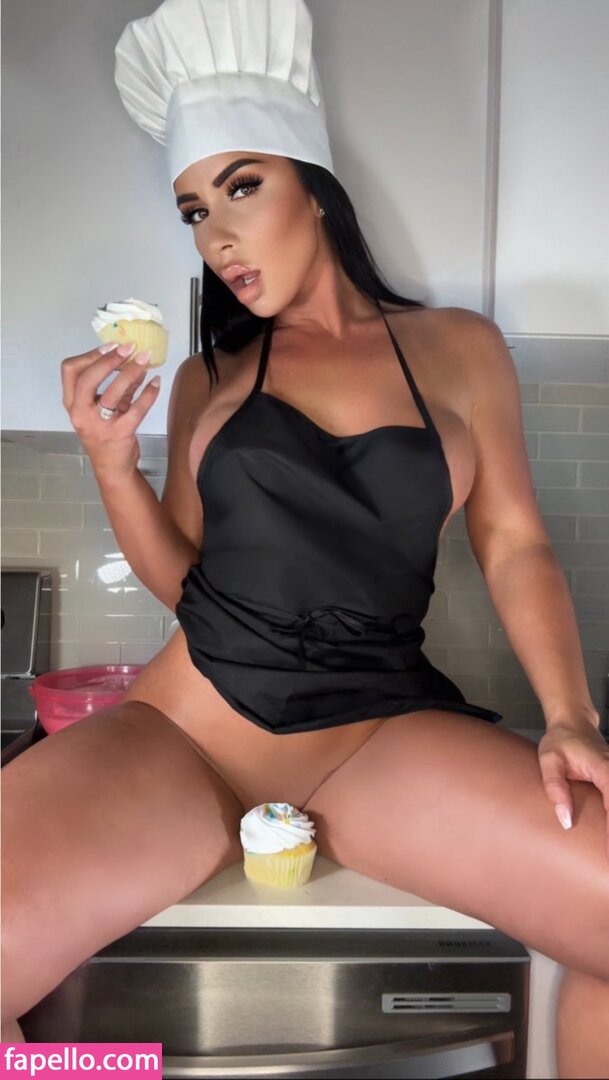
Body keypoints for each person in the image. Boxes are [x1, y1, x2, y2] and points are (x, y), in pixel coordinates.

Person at [2, 1, 608, 1074]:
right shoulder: (211, 377)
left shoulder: (459, 349)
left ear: (315, 188)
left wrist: (569, 714)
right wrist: (110, 462)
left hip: (379, 731)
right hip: (187, 733)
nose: (217, 237)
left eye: (241, 188)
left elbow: (514, 543)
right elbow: (185, 580)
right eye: (194, 211)